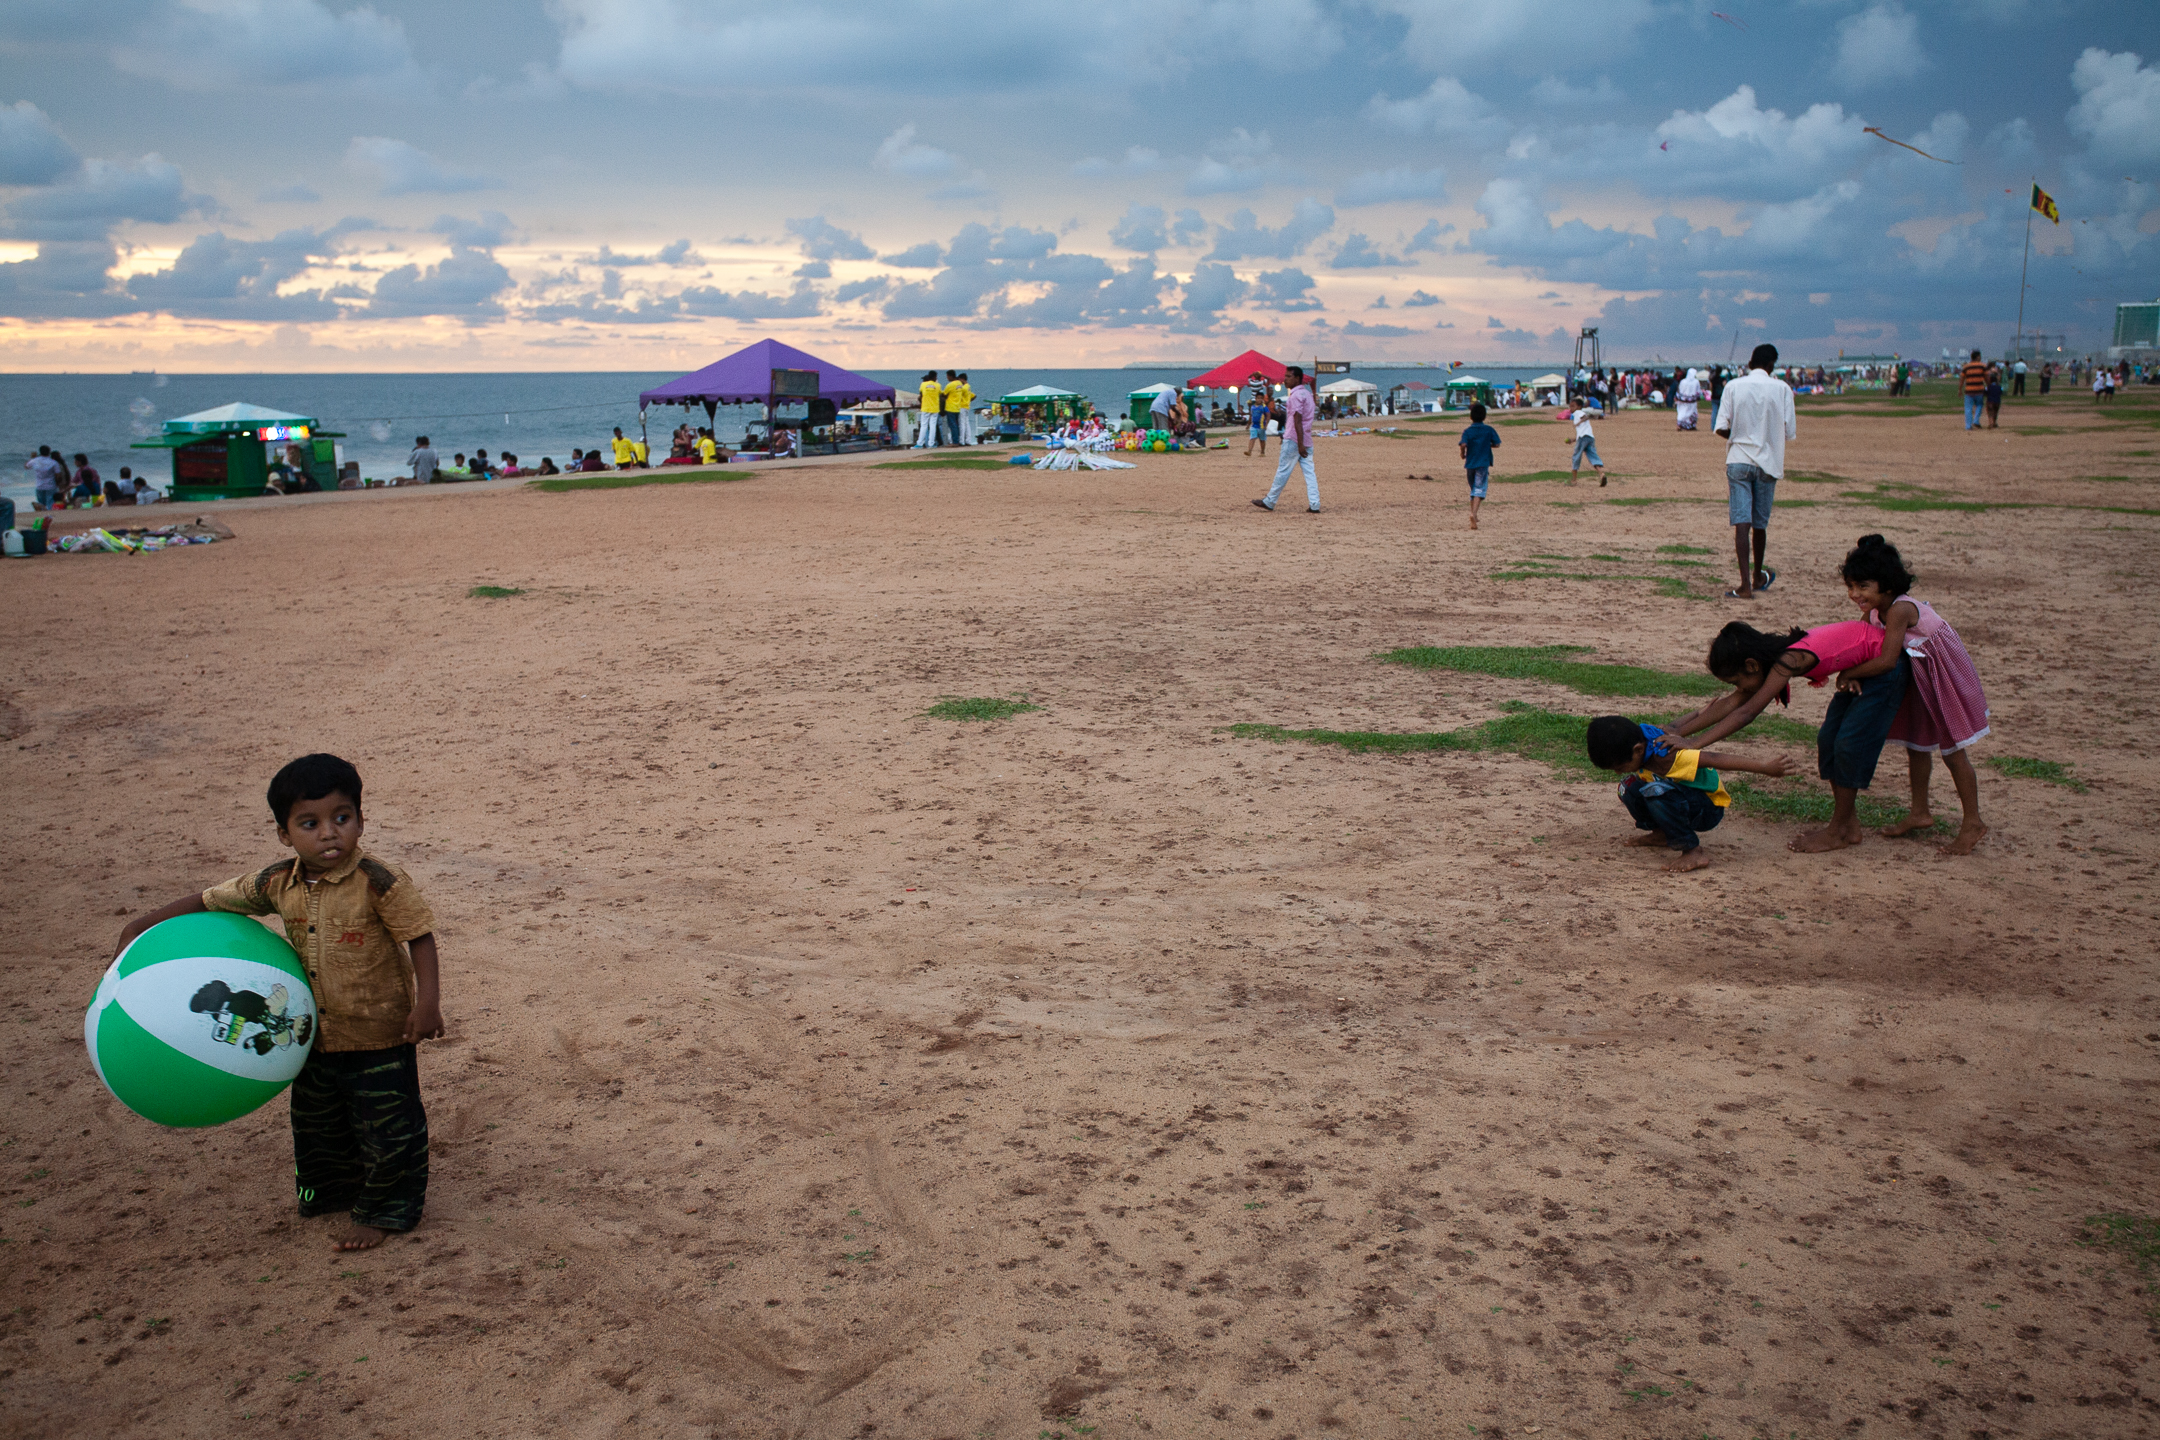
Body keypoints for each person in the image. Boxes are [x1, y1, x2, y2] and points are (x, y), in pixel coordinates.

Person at [111, 754, 443, 1252]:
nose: (329, 833)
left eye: (342, 817)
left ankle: (385, 1212)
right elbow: (212, 899)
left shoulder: (379, 881)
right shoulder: (276, 882)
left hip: (380, 1033)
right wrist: (141, 924)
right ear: (285, 835)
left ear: (360, 819)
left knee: (390, 1127)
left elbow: (419, 936)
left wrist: (428, 1003)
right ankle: (329, 1194)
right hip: (309, 1039)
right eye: (310, 824)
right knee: (317, 1125)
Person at [1670, 618, 1908, 855]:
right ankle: (1849, 825)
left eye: (1736, 681)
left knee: (1848, 745)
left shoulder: (1789, 659)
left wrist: (1693, 744)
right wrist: (1677, 732)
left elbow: (1746, 712)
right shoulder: (1768, 662)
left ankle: (1837, 831)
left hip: (1884, 666)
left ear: (1751, 665)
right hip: (1863, 667)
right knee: (1828, 741)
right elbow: (1731, 703)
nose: (1739, 689)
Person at [1833, 534, 1992, 856]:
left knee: (1953, 751)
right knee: (1917, 745)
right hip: (1919, 677)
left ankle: (1973, 822)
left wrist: (1849, 673)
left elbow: (1887, 660)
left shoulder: (1900, 609)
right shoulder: (1875, 611)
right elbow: (1862, 645)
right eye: (1850, 586)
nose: (1855, 594)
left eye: (1863, 586)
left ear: (1887, 585)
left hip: (1940, 677)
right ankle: (1920, 812)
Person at [1587, 716, 1794, 873]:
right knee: (1628, 787)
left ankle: (1693, 851)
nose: (1618, 772)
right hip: (1679, 798)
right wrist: (1702, 711)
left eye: (1621, 766)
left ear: (1638, 750)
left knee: (1655, 792)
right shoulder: (1644, 736)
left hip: (1707, 807)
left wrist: (1765, 767)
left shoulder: (1668, 756)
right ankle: (1662, 834)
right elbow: (1676, 724)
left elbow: (1715, 758)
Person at [1713, 342, 1796, 600]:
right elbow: (1789, 431)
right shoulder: (1782, 389)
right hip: (1768, 462)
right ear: (1771, 365)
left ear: (1750, 363)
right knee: (1759, 524)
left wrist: (1739, 436)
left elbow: (1721, 427)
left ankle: (1744, 585)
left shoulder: (1733, 386)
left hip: (1739, 459)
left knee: (1742, 522)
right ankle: (1758, 575)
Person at [1253, 365, 1319, 513]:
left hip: (1294, 439)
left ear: (1297, 378)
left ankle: (1270, 501)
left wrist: (1300, 444)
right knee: (1310, 472)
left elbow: (1297, 421)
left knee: (1283, 470)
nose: (1285, 380)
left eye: (1289, 377)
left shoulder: (1295, 396)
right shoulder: (1307, 394)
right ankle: (1315, 503)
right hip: (1307, 438)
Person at [1457, 400, 1500, 531]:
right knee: (1479, 489)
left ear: (1471, 416)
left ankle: (1474, 515)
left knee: (1474, 490)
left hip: (1470, 463)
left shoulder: (1468, 431)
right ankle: (1473, 514)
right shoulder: (1488, 430)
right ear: (1484, 416)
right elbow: (1497, 444)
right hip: (1483, 463)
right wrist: (1487, 445)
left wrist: (1462, 453)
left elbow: (1463, 444)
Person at [1563, 398, 1606, 486]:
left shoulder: (1578, 412)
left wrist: (1578, 423)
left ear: (1579, 406)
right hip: (1589, 438)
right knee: (1592, 456)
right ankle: (1601, 474)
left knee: (1576, 457)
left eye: (1573, 406)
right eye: (1570, 406)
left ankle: (1574, 480)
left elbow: (1586, 417)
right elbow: (1582, 433)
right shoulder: (1578, 414)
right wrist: (1572, 440)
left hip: (1583, 438)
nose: (1571, 408)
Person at [25, 446, 65, 510]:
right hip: (51, 485)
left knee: (41, 504)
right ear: (49, 452)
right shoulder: (53, 462)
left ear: (40, 452)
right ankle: (50, 514)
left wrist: (32, 458)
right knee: (50, 503)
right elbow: (58, 475)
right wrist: (58, 483)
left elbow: (26, 466)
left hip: (39, 485)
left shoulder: (35, 460)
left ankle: (43, 514)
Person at [1959, 349, 1987, 429]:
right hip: (1979, 390)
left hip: (1969, 390)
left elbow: (1962, 379)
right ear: (1977, 357)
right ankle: (1976, 421)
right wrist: (1989, 386)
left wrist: (1960, 389)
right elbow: (1986, 377)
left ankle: (1968, 426)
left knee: (1968, 408)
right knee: (1979, 405)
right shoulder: (1983, 366)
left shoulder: (1966, 367)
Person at [916, 371, 942, 448]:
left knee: (923, 426)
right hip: (935, 408)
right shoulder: (938, 385)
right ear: (934, 377)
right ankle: (931, 443)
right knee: (933, 426)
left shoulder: (923, 384)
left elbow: (921, 395)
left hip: (925, 407)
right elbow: (940, 394)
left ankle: (920, 443)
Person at [1244, 385, 1270, 458]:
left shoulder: (1264, 407)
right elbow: (1251, 416)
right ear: (1255, 399)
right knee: (1252, 438)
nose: (1259, 400)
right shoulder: (1253, 407)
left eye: (1261, 398)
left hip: (1261, 426)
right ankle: (1249, 451)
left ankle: (1262, 451)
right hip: (1254, 426)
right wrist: (1248, 425)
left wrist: (1266, 424)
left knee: (1262, 440)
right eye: (1258, 398)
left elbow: (1268, 415)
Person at [941, 370, 965, 446]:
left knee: (952, 425)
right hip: (957, 407)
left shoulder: (950, 385)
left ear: (950, 376)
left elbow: (944, 394)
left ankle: (955, 442)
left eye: (947, 376)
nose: (947, 378)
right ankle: (958, 440)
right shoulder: (960, 384)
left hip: (950, 407)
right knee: (956, 425)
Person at [956, 372, 977, 445]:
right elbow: (974, 396)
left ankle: (961, 441)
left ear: (962, 379)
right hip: (967, 406)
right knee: (967, 424)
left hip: (962, 407)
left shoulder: (963, 388)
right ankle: (968, 440)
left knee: (962, 424)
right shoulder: (968, 387)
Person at [1983, 364, 2003, 429]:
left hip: (1990, 401)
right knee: (1995, 412)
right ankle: (1994, 423)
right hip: (1997, 401)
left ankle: (1990, 423)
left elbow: (1985, 393)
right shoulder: (1999, 387)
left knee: (1990, 412)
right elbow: (2001, 392)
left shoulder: (1988, 387)